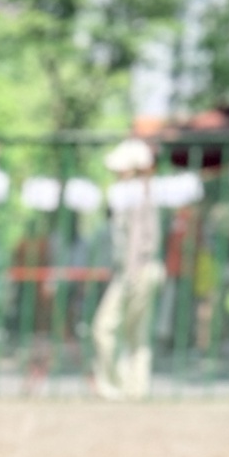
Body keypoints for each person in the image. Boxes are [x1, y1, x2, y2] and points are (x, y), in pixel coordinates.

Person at [93, 137, 164, 398]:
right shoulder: (133, 193)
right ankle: (131, 389)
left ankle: (121, 387)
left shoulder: (138, 193)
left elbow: (138, 239)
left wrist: (131, 274)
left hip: (138, 270)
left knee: (107, 328)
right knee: (132, 334)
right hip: (137, 269)